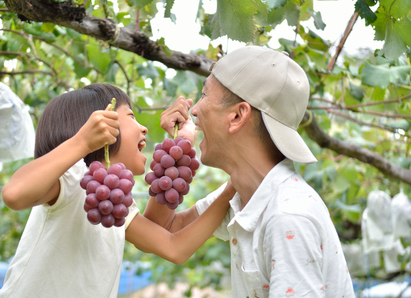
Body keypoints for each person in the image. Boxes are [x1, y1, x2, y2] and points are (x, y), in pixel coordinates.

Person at [143, 46, 356, 297]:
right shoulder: (242, 196)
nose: (194, 110)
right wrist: (179, 149)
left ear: (237, 116)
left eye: (203, 95)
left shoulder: (287, 215)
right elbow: (161, 231)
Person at [0, 83, 235, 298]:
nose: (144, 129)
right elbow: (14, 193)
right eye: (131, 116)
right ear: (100, 126)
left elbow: (174, 247)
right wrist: (82, 142)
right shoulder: (73, 177)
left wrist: (183, 144)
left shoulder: (113, 200)